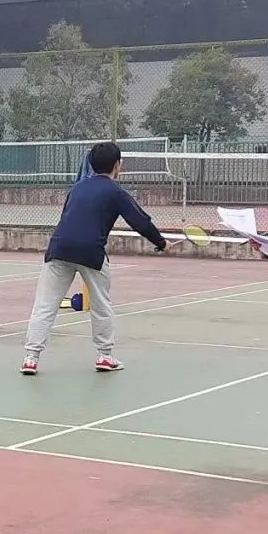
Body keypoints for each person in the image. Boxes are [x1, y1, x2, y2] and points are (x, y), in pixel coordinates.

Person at [20, 141, 168, 376]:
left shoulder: (77, 188)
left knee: (44, 306)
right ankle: (105, 356)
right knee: (101, 304)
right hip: (91, 252)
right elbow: (140, 221)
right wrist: (160, 242)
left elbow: (67, 217)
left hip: (58, 248)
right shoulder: (116, 192)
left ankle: (30, 359)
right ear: (118, 165)